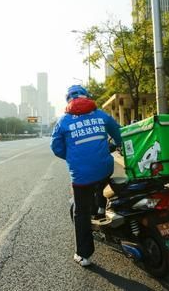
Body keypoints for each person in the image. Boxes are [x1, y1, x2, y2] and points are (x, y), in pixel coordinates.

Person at [50, 85, 122, 267]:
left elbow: (56, 148)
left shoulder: (63, 121)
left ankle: (83, 255)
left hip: (81, 176)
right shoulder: (101, 115)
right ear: (87, 97)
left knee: (81, 212)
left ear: (68, 100)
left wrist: (74, 156)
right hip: (105, 168)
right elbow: (119, 135)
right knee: (104, 183)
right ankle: (101, 209)